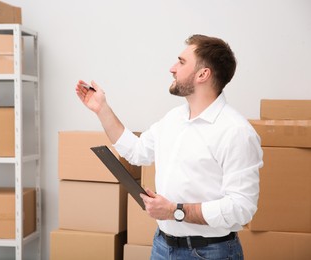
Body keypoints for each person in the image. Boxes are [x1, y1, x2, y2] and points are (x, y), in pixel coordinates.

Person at [75, 34, 263, 260]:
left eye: (182, 62)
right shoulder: (174, 119)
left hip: (211, 253)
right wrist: (102, 109)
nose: (172, 68)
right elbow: (137, 151)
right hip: (163, 246)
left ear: (203, 74)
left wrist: (176, 211)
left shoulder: (236, 131)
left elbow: (241, 207)